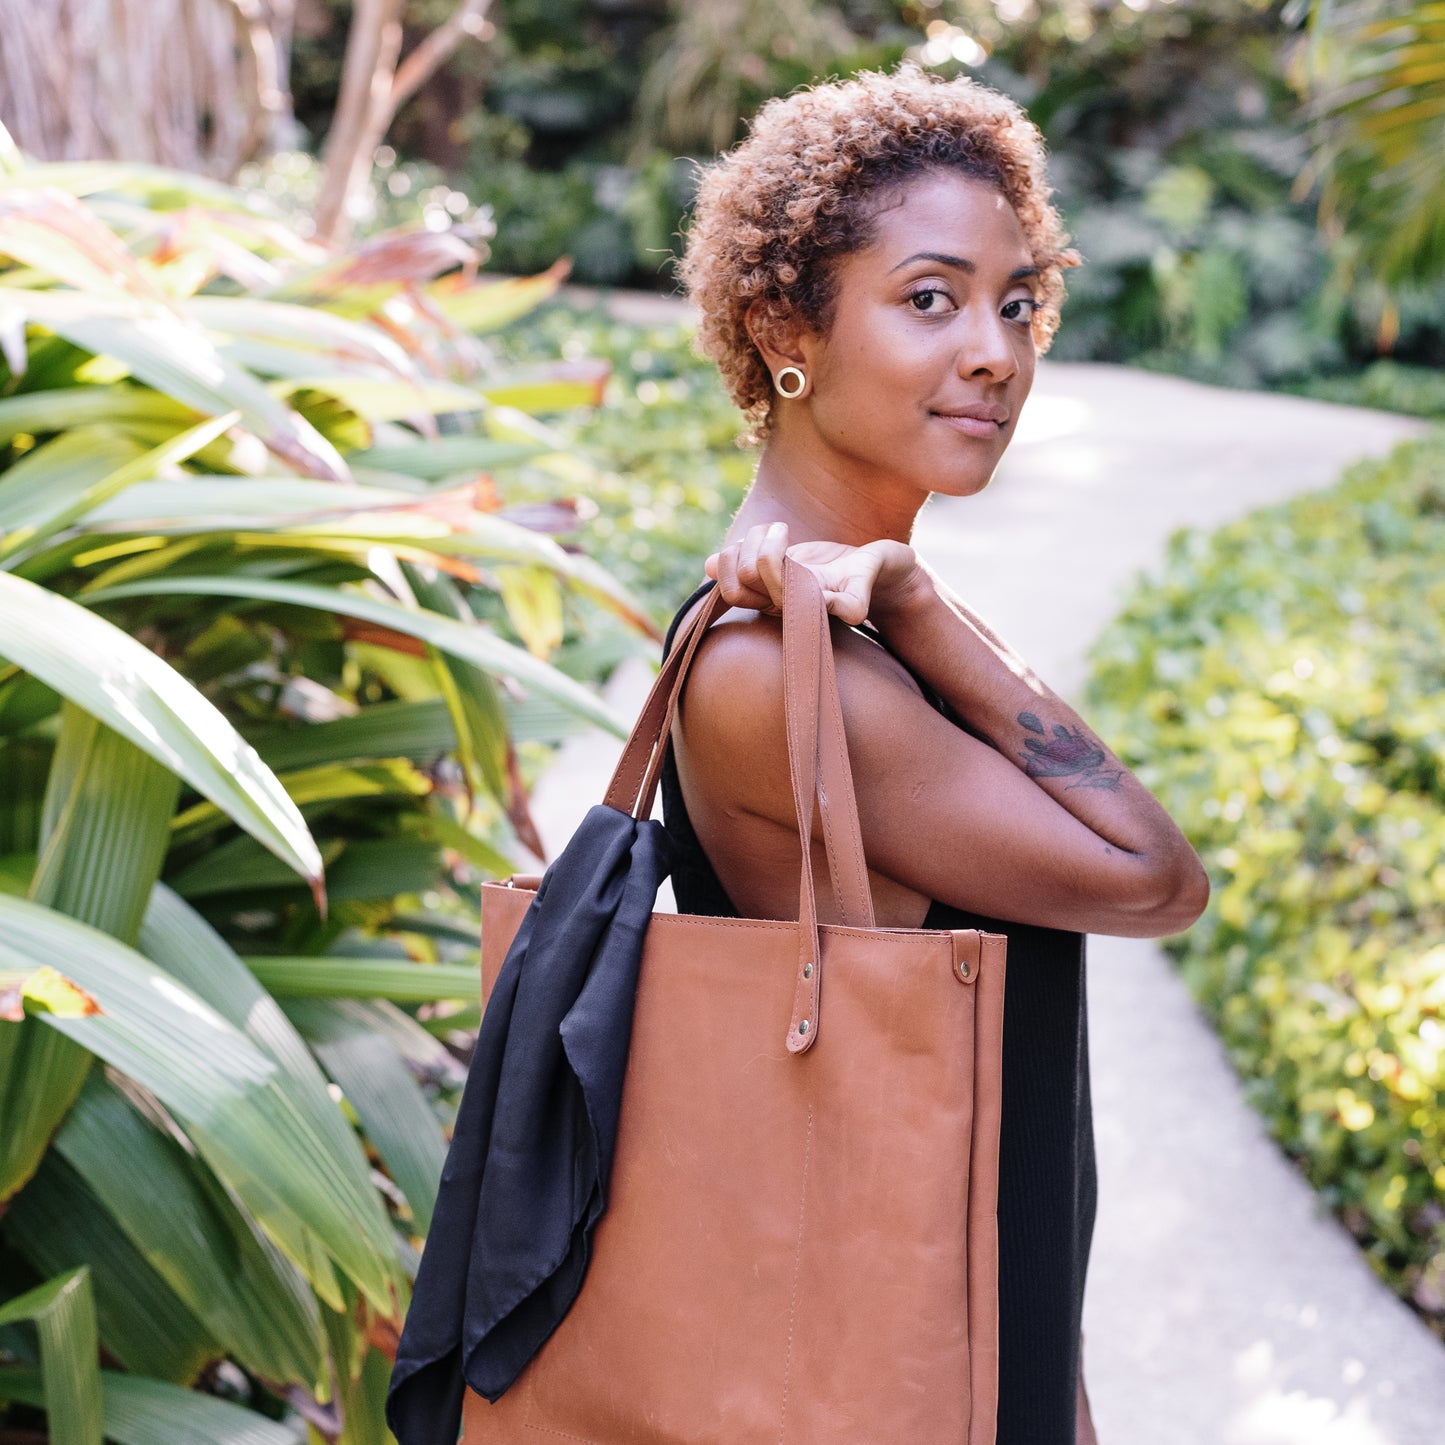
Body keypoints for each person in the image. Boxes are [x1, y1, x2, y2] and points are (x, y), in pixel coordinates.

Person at [656, 62, 1211, 1444]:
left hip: (968, 1355)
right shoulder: (791, 677)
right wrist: (925, 609)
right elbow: (1152, 877)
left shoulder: (855, 632)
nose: (995, 351)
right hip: (892, 1384)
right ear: (786, 325)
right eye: (929, 298)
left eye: (1016, 302)